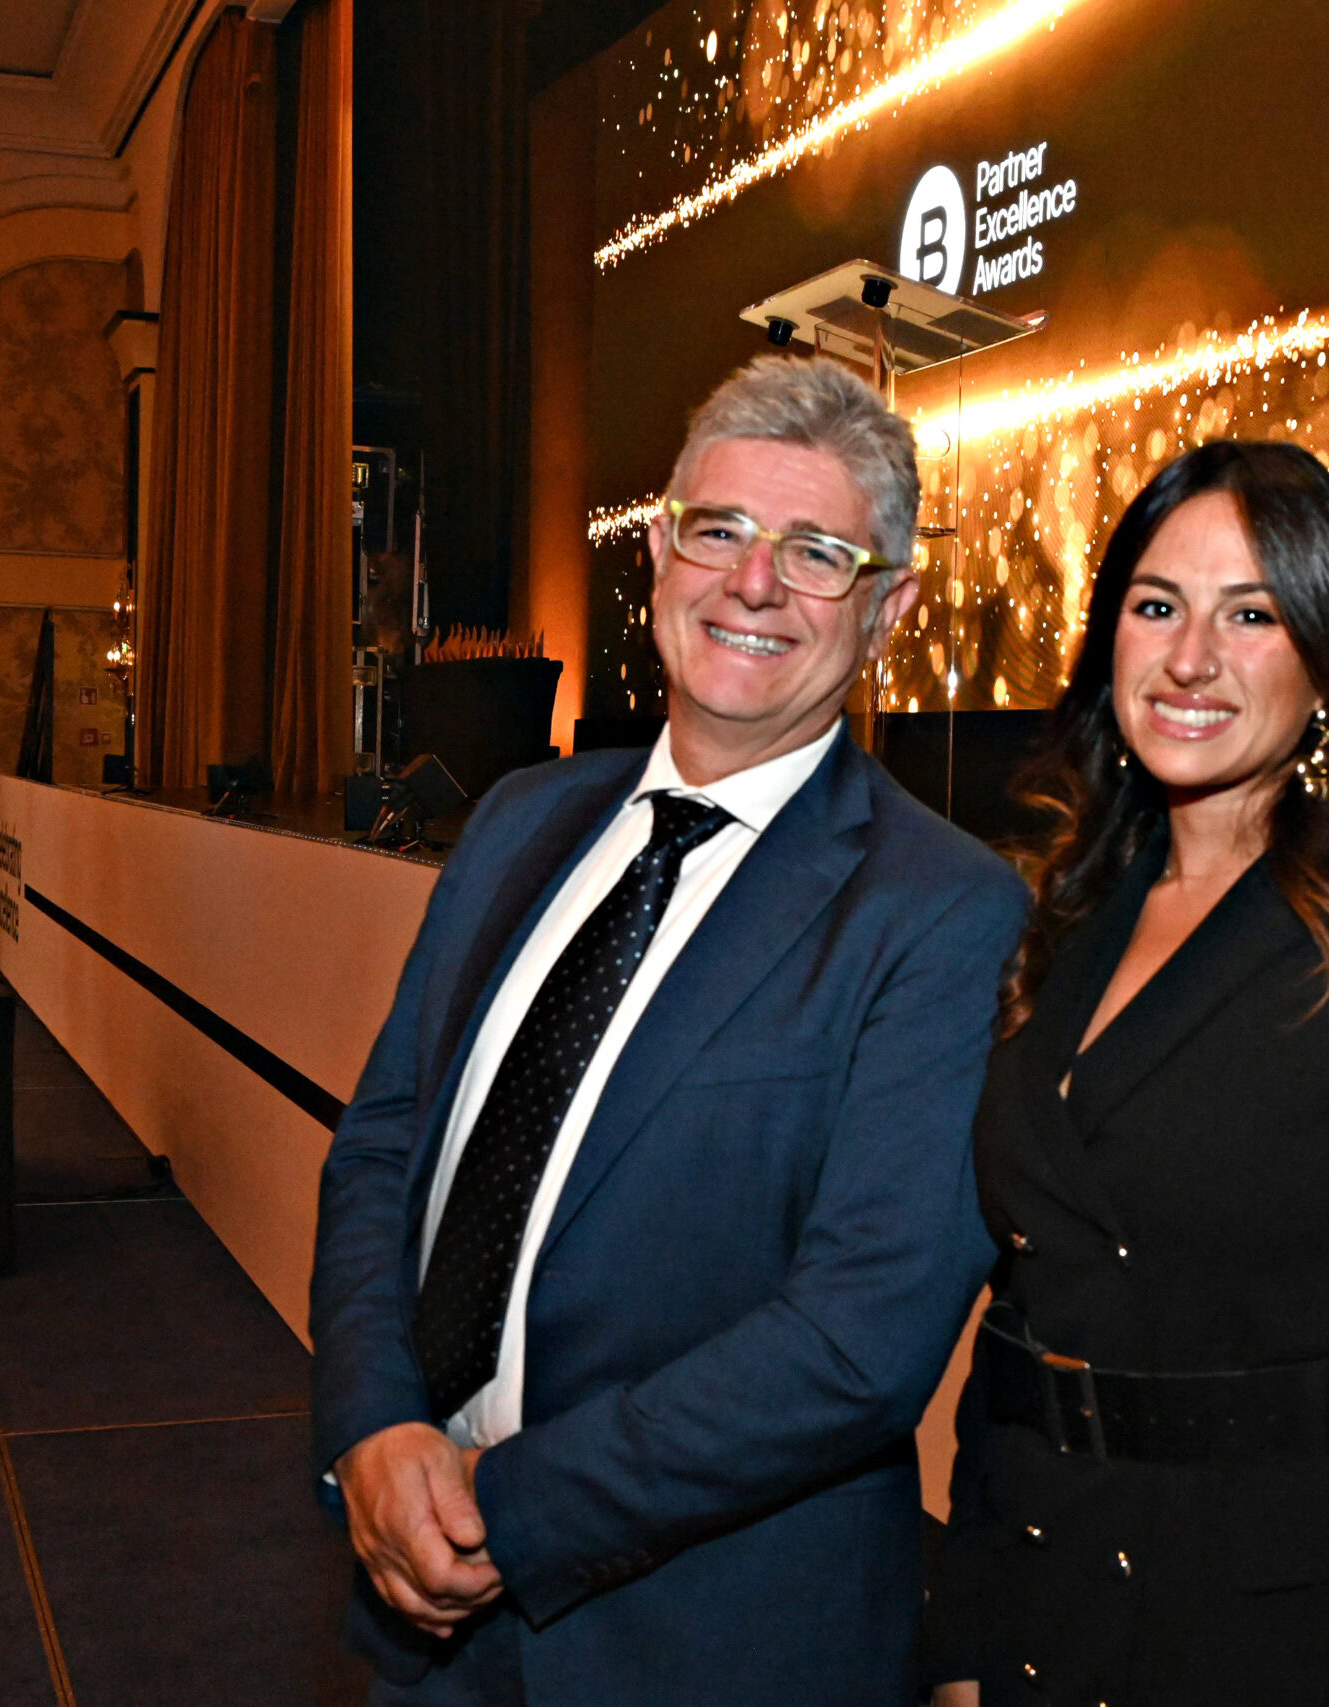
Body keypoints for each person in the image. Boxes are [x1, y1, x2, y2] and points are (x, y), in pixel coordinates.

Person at [308, 356, 1028, 1706]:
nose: (753, 583)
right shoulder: (519, 818)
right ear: (657, 553)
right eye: (721, 529)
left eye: (816, 553)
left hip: (703, 1643)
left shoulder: (942, 909)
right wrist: (373, 1424)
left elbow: (857, 1343)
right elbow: (385, 1145)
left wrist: (499, 1510)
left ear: (888, 610)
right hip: (419, 1611)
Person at [924, 441, 1329, 1706]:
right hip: (1042, 1615)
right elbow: (1027, 1321)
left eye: (1251, 616)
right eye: (1155, 606)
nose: (1189, 659)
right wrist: (959, 1648)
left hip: (1283, 1641)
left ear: (1326, 659)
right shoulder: (1066, 915)